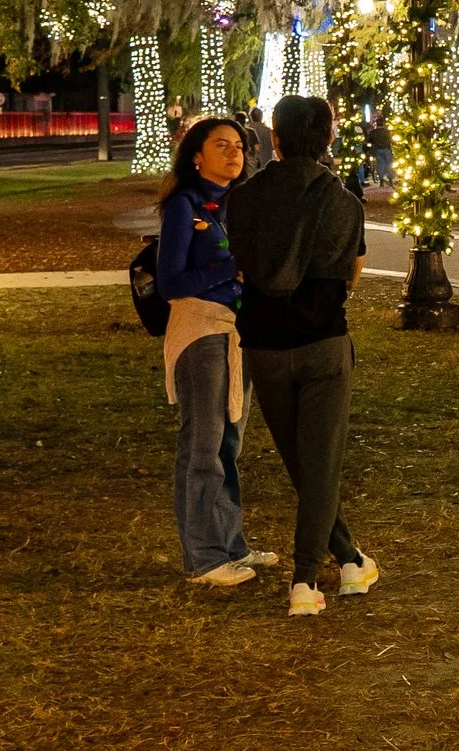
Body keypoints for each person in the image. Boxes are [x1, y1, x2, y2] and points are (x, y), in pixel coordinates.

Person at [224, 94, 377, 617]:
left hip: (264, 344)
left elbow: (241, 264)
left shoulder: (244, 200)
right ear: (329, 139)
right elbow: (351, 275)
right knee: (322, 463)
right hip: (322, 341)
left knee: (304, 463)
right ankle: (305, 580)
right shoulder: (343, 201)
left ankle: (351, 558)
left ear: (277, 139)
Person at [157, 117, 278, 587]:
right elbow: (171, 282)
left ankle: (232, 543)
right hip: (201, 331)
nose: (235, 153)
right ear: (196, 156)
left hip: (240, 331)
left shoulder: (242, 204)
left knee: (230, 442)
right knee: (202, 444)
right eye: (221, 145)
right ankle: (203, 558)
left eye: (240, 146)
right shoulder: (184, 207)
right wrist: (233, 268)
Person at [243, 105, 274, 177]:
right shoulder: (269, 131)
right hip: (266, 167)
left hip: (250, 169)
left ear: (251, 117)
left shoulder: (246, 131)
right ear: (261, 117)